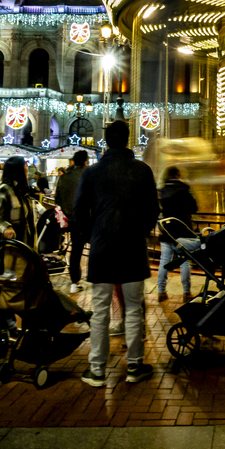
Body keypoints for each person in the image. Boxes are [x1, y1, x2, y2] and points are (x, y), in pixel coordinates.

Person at [74, 120, 160, 387]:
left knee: (100, 310)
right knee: (133, 309)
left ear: (106, 141)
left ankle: (97, 369)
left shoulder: (91, 173)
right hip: (133, 246)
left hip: (102, 247)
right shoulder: (142, 171)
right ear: (127, 139)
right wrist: (140, 230)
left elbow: (78, 212)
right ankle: (135, 365)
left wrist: (93, 235)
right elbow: (153, 210)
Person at [157, 166, 200, 301]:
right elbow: (194, 208)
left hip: (166, 232)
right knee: (184, 262)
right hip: (183, 232)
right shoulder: (184, 190)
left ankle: (161, 292)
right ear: (178, 175)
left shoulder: (162, 192)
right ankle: (186, 293)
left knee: (164, 260)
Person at [56, 150, 89, 293]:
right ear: (86, 162)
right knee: (97, 248)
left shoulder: (64, 178)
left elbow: (58, 198)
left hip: (73, 220)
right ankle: (100, 278)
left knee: (76, 250)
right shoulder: (89, 175)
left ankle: (75, 281)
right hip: (90, 218)